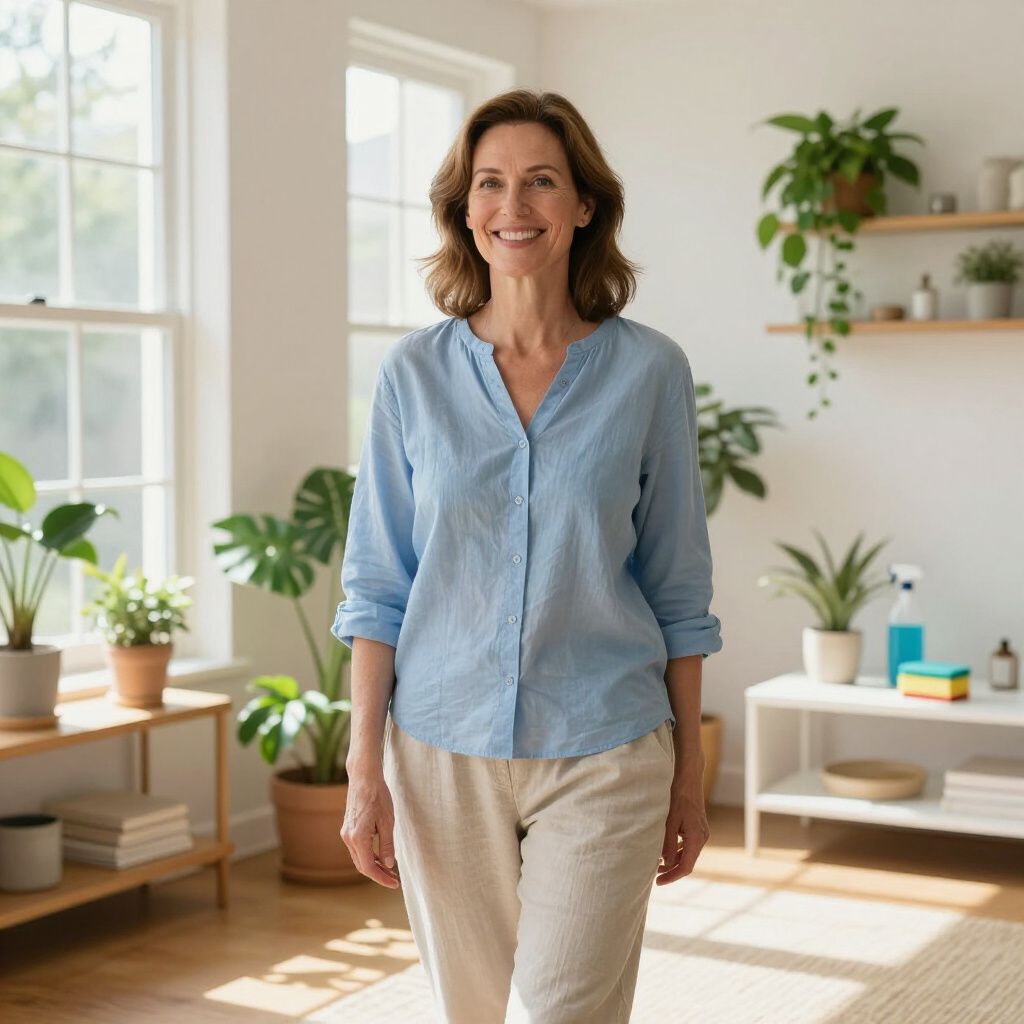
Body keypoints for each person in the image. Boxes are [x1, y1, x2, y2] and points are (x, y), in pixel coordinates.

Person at [332, 88, 723, 1024]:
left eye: (541, 181)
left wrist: (691, 777)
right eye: (492, 184)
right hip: (438, 753)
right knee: (469, 1011)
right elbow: (378, 584)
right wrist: (362, 772)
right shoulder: (412, 377)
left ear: (584, 203)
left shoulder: (649, 372)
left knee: (565, 1013)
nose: (515, 206)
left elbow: (679, 588)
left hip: (606, 745)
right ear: (464, 210)